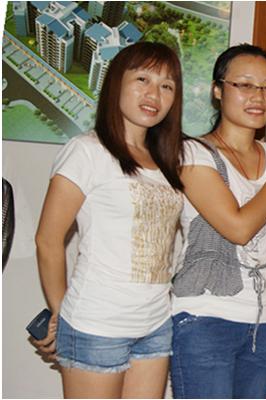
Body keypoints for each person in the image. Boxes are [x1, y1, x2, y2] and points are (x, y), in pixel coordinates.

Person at [34, 41, 185, 398]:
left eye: (166, 85)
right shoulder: (87, 151)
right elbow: (48, 240)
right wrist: (61, 314)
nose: (154, 94)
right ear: (116, 83)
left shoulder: (168, 161)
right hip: (96, 324)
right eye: (142, 79)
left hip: (155, 324)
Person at [169, 44, 266, 399]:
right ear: (218, 90)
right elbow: (239, 228)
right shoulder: (192, 152)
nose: (258, 96)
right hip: (205, 317)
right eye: (244, 85)